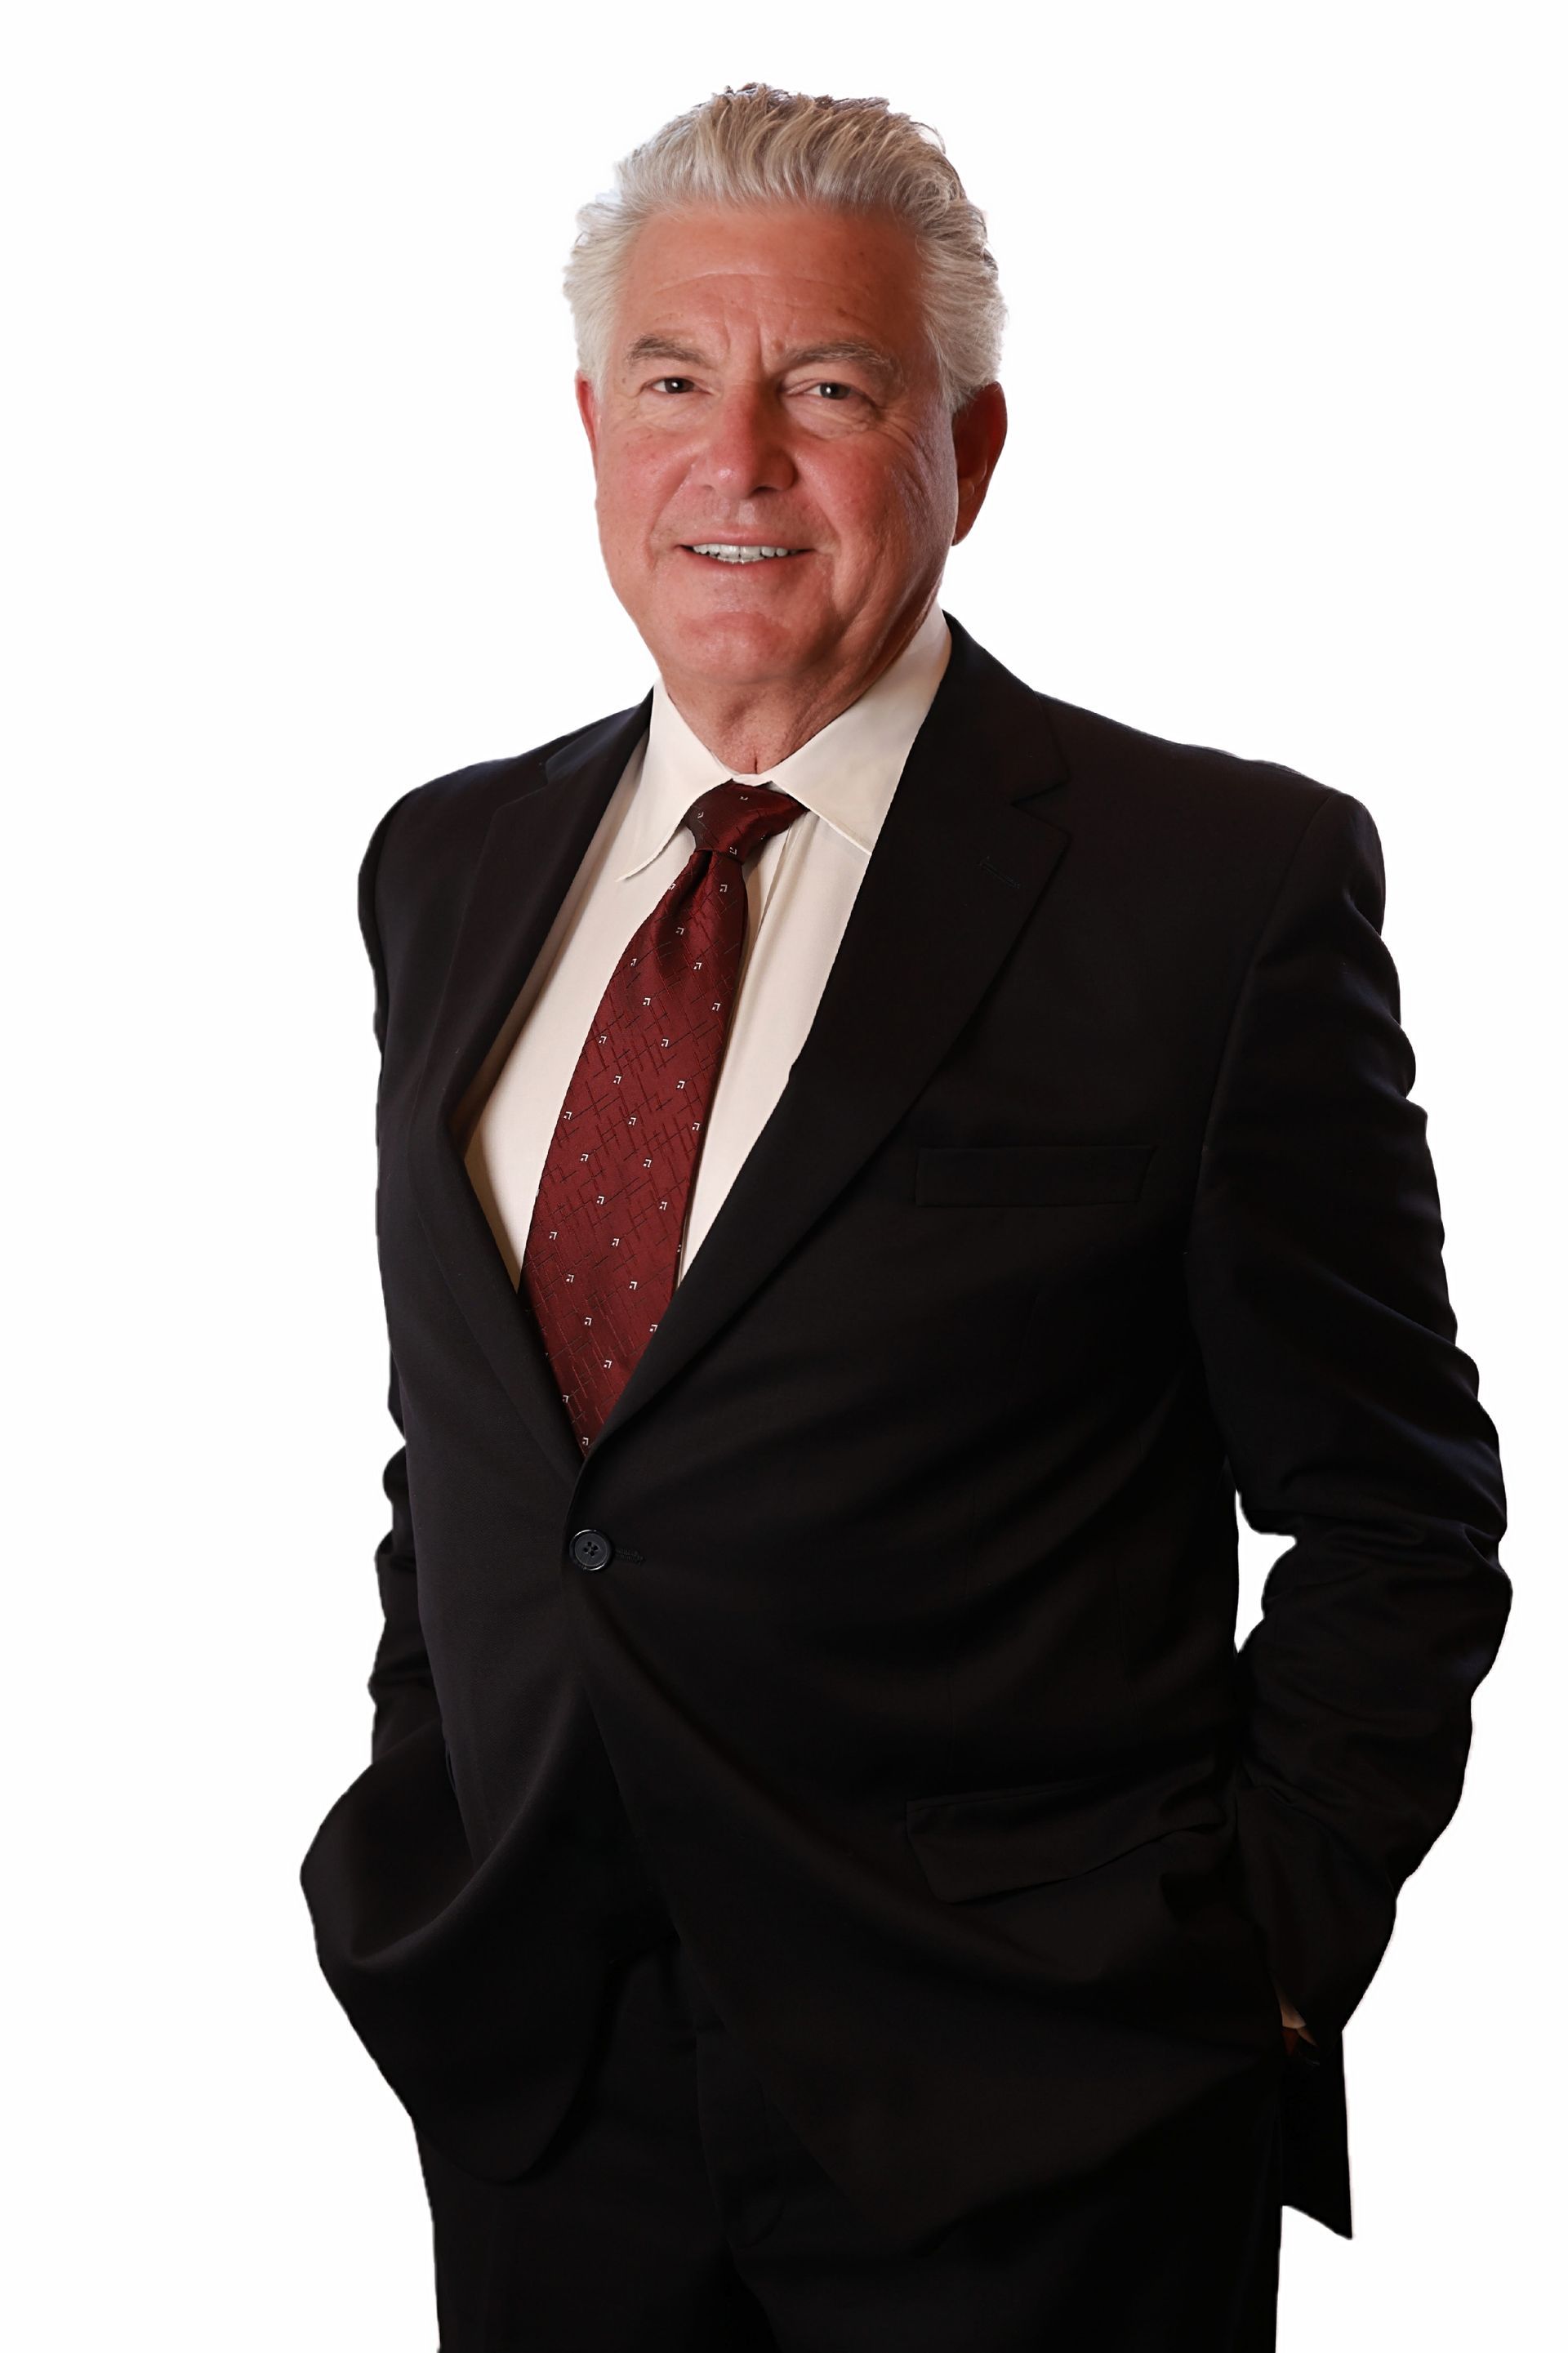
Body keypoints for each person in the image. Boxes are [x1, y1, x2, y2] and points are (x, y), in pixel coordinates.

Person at [301, 83, 1509, 2351]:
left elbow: (1399, 1518)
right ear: (589, 422)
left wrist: (1240, 1971)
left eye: (828, 390)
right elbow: (478, 1452)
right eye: (673, 381)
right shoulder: (444, 870)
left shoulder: (1213, 894)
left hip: (1036, 2135)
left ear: (972, 443)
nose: (733, 461)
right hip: (552, 2104)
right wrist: (422, 1845)